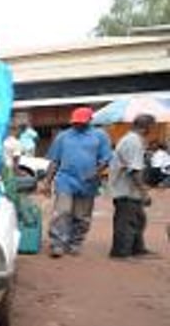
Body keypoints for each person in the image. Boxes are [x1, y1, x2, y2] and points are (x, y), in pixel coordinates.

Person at [41, 107, 111, 257]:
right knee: (62, 212)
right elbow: (54, 161)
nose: (78, 125)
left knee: (82, 215)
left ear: (90, 121)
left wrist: (97, 172)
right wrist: (47, 182)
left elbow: (106, 159)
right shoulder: (63, 137)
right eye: (76, 122)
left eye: (82, 123)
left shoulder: (100, 136)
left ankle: (75, 242)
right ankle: (57, 243)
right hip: (65, 179)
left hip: (88, 182)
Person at [109, 114, 157, 259]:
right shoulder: (133, 141)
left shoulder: (132, 140)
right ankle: (121, 252)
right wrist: (144, 192)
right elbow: (134, 171)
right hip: (126, 189)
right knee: (126, 221)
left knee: (138, 219)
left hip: (129, 189)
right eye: (151, 127)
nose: (152, 130)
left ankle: (137, 248)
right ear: (146, 127)